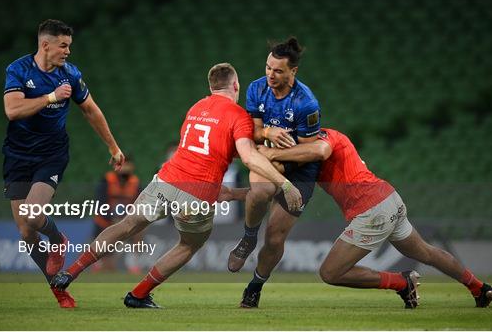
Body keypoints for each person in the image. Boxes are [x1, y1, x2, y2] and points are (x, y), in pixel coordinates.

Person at [50, 63, 303, 308]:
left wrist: (243, 191)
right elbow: (247, 157)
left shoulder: (196, 108)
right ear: (236, 85)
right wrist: (285, 184)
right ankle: (138, 295)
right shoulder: (238, 116)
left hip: (166, 180)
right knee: (188, 244)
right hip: (197, 194)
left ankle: (69, 273)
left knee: (127, 225)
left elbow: (207, 150)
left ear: (211, 86)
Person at [256, 127, 492, 309]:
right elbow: (280, 167)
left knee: (330, 273)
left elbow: (319, 151)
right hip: (388, 198)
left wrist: (267, 151)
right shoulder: (307, 155)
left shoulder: (323, 137)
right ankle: (480, 288)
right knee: (426, 252)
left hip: (372, 209)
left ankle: (402, 283)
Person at [2, 19, 124, 308]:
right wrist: (50, 97)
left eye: (69, 46)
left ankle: (58, 240)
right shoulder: (18, 70)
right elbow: (12, 110)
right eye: (63, 45)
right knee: (26, 232)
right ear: (46, 45)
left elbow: (91, 110)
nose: (68, 51)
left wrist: (113, 146)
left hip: (51, 154)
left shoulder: (70, 75)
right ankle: (58, 289)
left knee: (34, 216)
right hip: (17, 156)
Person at [227, 37, 322, 307]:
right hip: (268, 156)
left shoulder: (307, 103)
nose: (270, 74)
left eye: (278, 70)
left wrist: (275, 157)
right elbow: (253, 131)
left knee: (275, 237)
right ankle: (247, 237)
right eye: (268, 67)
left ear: (293, 72)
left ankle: (256, 285)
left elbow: (307, 151)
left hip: (300, 168)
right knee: (261, 191)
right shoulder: (257, 89)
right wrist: (268, 133)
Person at [91, 156, 143, 274]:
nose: (125, 168)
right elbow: (100, 202)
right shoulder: (107, 180)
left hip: (126, 219)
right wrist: (112, 218)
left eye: (128, 165)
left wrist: (126, 218)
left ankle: (133, 262)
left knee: (140, 228)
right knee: (100, 225)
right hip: (106, 219)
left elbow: (139, 203)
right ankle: (98, 262)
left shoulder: (135, 182)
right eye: (123, 164)